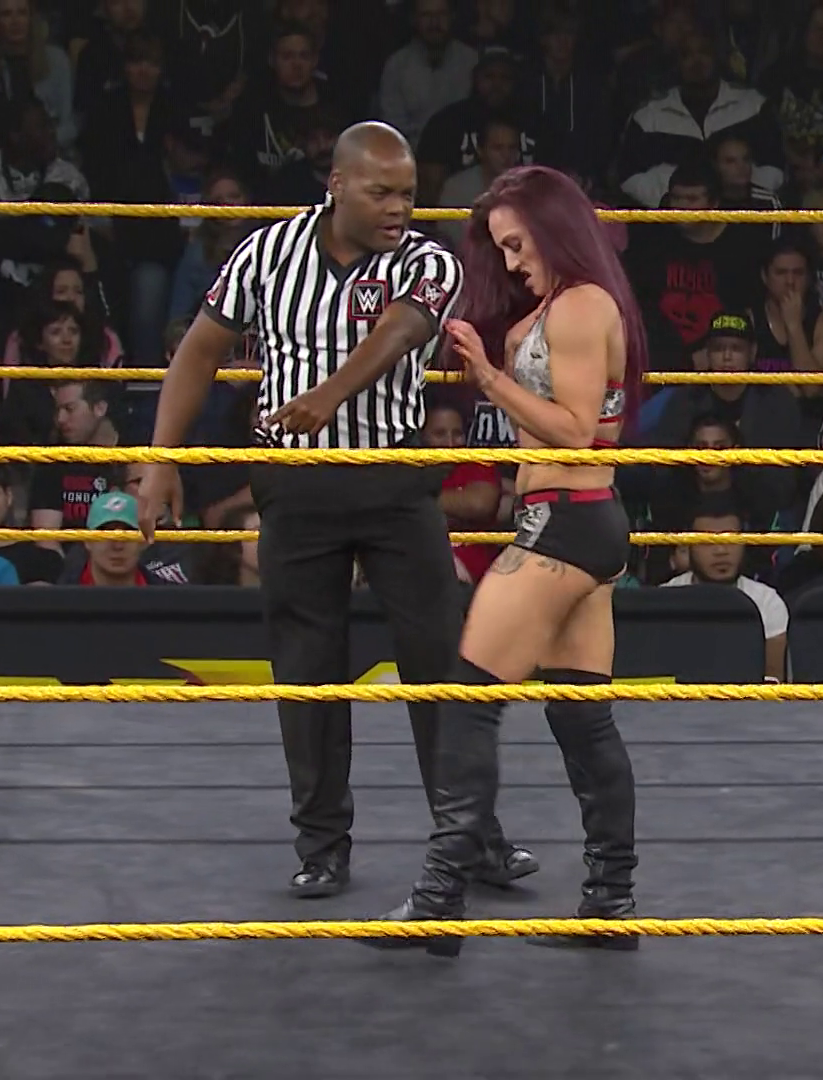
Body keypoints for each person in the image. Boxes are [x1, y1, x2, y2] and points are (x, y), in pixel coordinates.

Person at [136, 122, 536, 901]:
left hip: (393, 480)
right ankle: (321, 845)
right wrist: (160, 457)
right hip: (295, 486)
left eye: (407, 194)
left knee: (441, 656)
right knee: (308, 667)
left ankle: (472, 836)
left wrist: (328, 395)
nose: (398, 208)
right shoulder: (264, 254)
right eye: (381, 193)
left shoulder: (427, 259)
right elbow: (199, 350)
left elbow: (402, 329)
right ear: (338, 185)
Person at [362, 165, 645, 957]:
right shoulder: (563, 308)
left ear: (554, 230)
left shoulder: (582, 305)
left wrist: (489, 375)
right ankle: (610, 904)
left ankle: (439, 898)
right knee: (581, 714)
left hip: (564, 522)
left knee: (469, 698)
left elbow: (577, 430)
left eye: (518, 245)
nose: (513, 262)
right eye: (503, 248)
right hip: (583, 520)